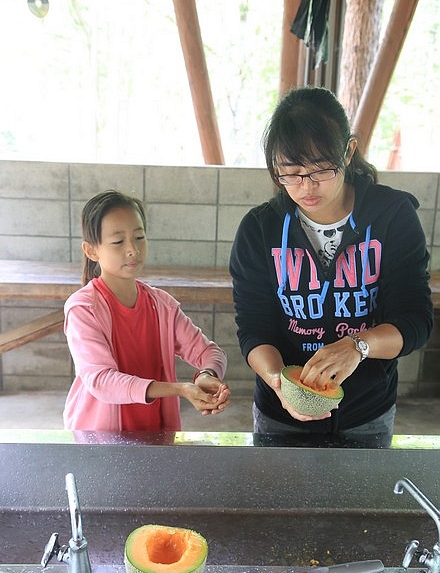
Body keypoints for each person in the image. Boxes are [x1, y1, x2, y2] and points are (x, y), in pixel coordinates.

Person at [229, 86, 433, 448]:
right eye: (290, 173)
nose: (306, 186)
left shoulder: (393, 218)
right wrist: (280, 382)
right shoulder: (260, 230)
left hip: (367, 413)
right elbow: (254, 330)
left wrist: (359, 345)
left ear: (348, 151)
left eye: (321, 169)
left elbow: (415, 321)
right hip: (281, 417)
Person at [64, 190, 230, 435]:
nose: (133, 249)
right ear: (91, 250)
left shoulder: (162, 305)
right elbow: (101, 381)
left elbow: (209, 351)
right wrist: (180, 389)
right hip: (98, 440)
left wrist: (206, 375)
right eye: (118, 241)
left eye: (139, 237)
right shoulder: (83, 308)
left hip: (156, 436)